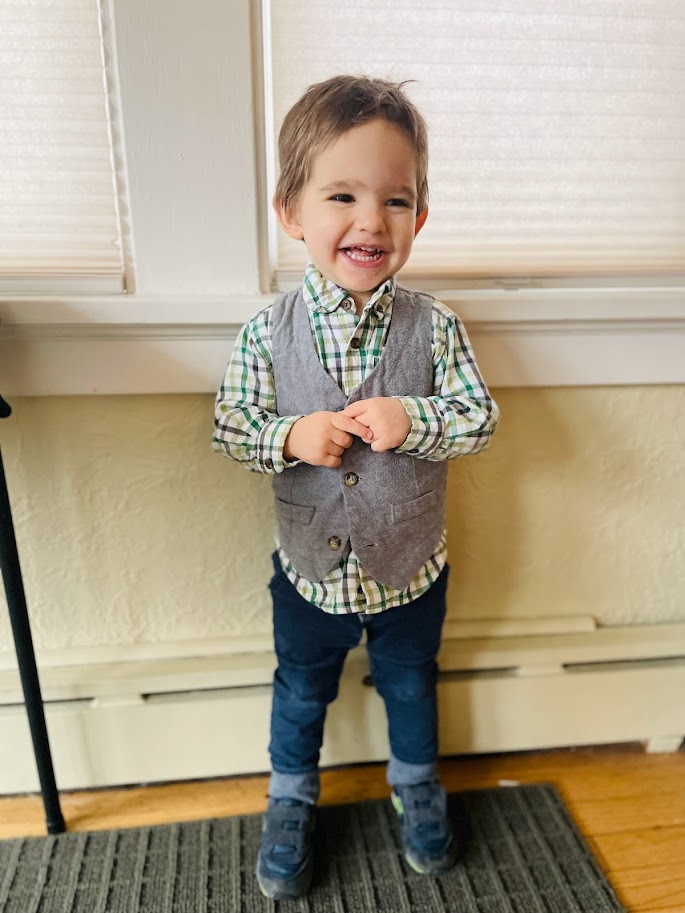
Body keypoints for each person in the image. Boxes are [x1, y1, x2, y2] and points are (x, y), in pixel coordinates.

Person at [213, 74, 499, 900]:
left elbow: (478, 418)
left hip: (412, 567)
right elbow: (230, 427)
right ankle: (291, 798)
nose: (371, 221)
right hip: (308, 573)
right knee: (302, 689)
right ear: (291, 212)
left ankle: (416, 785)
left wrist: (415, 418)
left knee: (411, 682)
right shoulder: (265, 334)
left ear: (417, 215)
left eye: (396, 201)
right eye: (342, 195)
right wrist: (290, 436)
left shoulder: (434, 326)